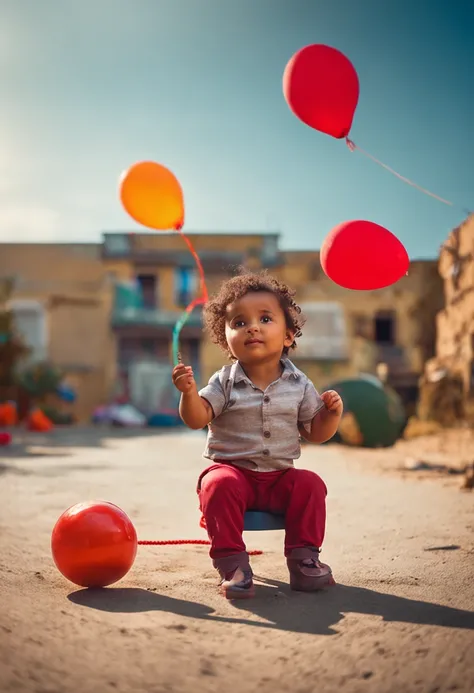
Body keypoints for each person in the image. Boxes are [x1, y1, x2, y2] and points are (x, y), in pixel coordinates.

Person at [172, 270, 343, 599]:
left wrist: (330, 415)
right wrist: (189, 393)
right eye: (238, 322)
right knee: (216, 484)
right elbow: (197, 418)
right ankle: (233, 564)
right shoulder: (224, 382)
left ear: (289, 336)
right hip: (233, 472)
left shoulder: (299, 384)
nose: (251, 326)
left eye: (265, 318)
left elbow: (315, 431)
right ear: (226, 339)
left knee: (310, 484)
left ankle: (304, 559)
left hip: (280, 478)